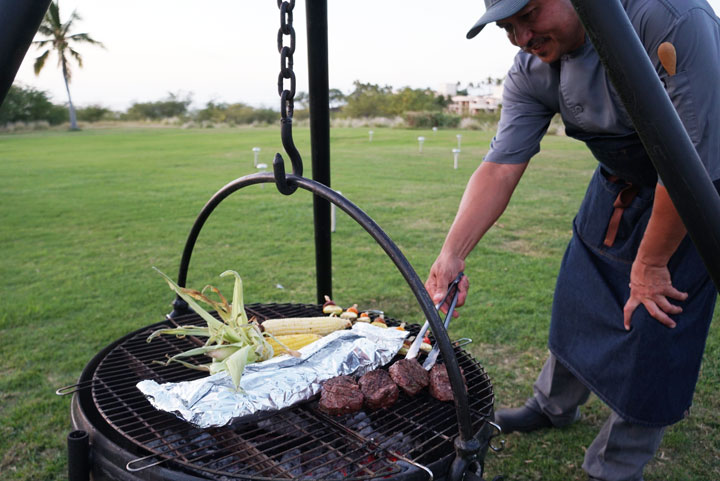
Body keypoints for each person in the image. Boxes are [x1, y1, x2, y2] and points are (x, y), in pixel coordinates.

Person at [424, 0, 720, 479]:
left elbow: (693, 161)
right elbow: (501, 165)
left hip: (699, 185)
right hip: (620, 181)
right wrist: (450, 254)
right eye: (508, 27)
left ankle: (617, 464)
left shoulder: (669, 20)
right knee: (580, 293)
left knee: (655, 319)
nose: (522, 37)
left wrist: (649, 265)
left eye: (530, 14)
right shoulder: (530, 70)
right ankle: (553, 406)